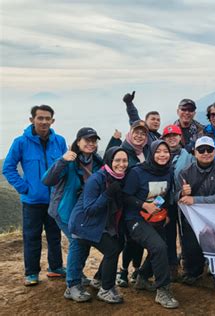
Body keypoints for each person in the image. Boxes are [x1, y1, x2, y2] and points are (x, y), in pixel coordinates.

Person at [3, 105, 67, 286]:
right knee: (32, 237)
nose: (44, 122)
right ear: (32, 120)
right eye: (40, 118)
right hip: (32, 201)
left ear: (53, 121)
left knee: (54, 235)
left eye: (48, 118)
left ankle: (55, 268)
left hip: (55, 199)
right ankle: (31, 273)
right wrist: (24, 188)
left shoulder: (59, 141)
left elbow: (65, 167)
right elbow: (8, 168)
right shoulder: (21, 142)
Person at [42, 127, 103, 301]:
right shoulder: (69, 160)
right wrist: (62, 160)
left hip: (84, 212)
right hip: (64, 210)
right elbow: (47, 180)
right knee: (77, 241)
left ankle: (77, 275)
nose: (91, 143)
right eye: (87, 140)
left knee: (83, 242)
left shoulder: (97, 162)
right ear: (78, 142)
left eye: (94, 140)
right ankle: (72, 285)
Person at [122, 140, 180, 308]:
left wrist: (166, 213)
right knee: (159, 247)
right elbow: (125, 196)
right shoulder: (137, 172)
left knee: (162, 246)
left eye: (165, 151)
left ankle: (142, 277)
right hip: (135, 219)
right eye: (158, 151)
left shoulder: (168, 172)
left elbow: (165, 195)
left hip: (156, 218)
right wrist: (143, 205)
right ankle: (163, 290)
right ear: (151, 153)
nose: (162, 154)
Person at [69, 147, 129, 303]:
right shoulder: (97, 179)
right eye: (117, 160)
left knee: (119, 243)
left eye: (124, 161)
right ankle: (106, 289)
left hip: (100, 223)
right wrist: (107, 194)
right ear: (109, 160)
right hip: (85, 224)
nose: (121, 164)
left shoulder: (119, 177)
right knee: (112, 249)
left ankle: (99, 280)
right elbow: (90, 209)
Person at [175, 136, 215, 285]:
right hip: (192, 218)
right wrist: (181, 193)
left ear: (214, 151)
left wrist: (194, 200)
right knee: (192, 247)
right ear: (194, 152)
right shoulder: (185, 172)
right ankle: (193, 271)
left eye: (209, 149)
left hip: (214, 216)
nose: (206, 153)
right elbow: (175, 196)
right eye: (201, 150)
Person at [108, 120, 149, 286]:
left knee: (139, 239)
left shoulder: (147, 150)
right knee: (128, 239)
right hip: (124, 201)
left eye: (143, 133)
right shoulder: (124, 150)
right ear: (130, 133)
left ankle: (136, 269)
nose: (139, 136)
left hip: (141, 201)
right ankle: (123, 271)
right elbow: (109, 161)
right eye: (136, 132)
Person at [161, 124, 194, 280]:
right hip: (165, 202)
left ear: (180, 137)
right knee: (168, 234)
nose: (172, 138)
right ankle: (171, 265)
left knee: (185, 233)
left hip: (183, 200)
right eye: (168, 136)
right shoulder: (160, 156)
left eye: (174, 135)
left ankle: (187, 265)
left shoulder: (189, 157)